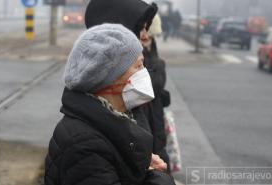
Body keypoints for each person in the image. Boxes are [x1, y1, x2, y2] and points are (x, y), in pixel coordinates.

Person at [44, 24, 175, 185]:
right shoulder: (84, 145)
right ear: (111, 78)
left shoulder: (120, 116)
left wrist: (143, 168)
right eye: (139, 66)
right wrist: (158, 177)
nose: (145, 73)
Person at [84, 0, 171, 168]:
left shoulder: (126, 103)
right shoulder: (89, 136)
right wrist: (157, 175)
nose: (146, 36)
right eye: (141, 28)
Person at [141, 14, 171, 171]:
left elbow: (157, 86)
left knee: (160, 159)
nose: (146, 40)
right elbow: (151, 85)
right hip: (146, 119)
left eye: (150, 38)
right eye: (144, 38)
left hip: (155, 117)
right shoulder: (139, 59)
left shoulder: (155, 59)